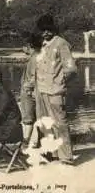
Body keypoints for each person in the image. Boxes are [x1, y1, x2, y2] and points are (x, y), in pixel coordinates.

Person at [35, 14, 77, 165]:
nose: (45, 32)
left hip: (55, 91)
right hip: (42, 90)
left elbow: (71, 69)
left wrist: (60, 82)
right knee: (45, 123)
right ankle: (51, 153)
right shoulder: (42, 45)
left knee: (60, 123)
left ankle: (66, 157)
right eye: (43, 30)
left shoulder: (61, 44)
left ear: (53, 29)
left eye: (48, 29)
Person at [20, 33, 43, 149]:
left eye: (23, 46)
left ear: (29, 46)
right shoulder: (38, 56)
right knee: (38, 118)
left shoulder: (34, 58)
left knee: (28, 119)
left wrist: (27, 89)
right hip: (36, 93)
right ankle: (39, 143)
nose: (23, 49)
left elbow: (34, 77)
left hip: (30, 94)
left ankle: (25, 143)